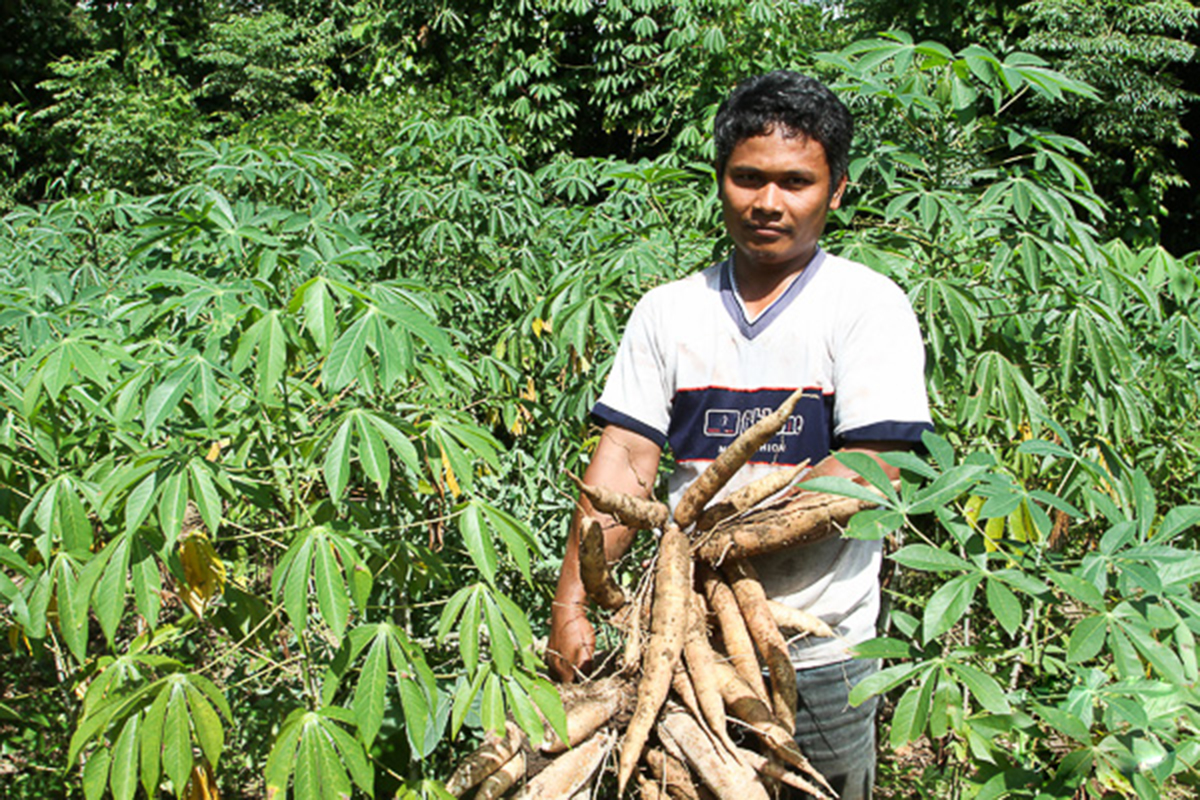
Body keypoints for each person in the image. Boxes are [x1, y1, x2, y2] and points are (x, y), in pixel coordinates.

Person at [546, 71, 933, 799]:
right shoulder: (667, 313)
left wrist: (716, 532)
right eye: (748, 178)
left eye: (795, 182)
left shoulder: (866, 308)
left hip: (822, 651)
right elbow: (626, 460)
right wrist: (570, 603)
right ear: (720, 179)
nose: (768, 203)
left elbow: (875, 466)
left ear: (837, 190)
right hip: (671, 636)